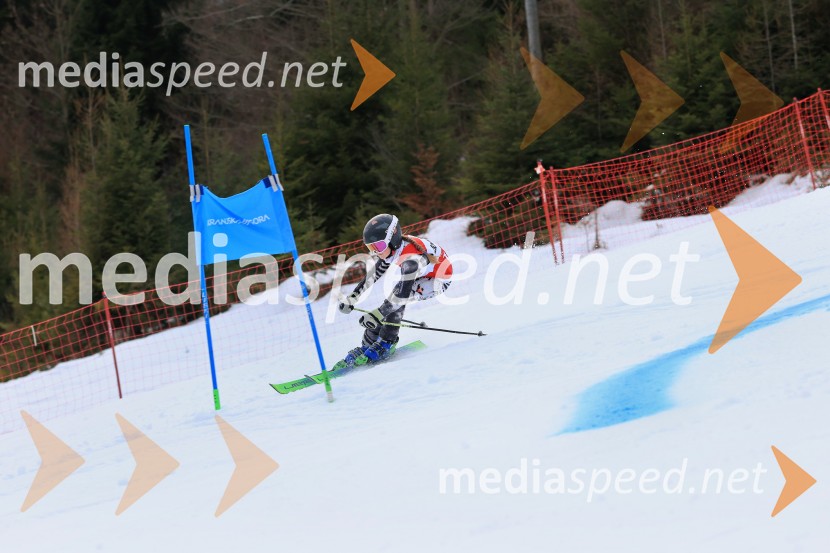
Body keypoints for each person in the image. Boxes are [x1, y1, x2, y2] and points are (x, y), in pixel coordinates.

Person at [338, 214, 452, 365]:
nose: (376, 252)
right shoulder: (392, 249)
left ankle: (386, 343)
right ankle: (367, 345)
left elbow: (401, 296)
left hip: (437, 281)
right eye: (371, 248)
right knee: (390, 302)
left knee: (396, 297)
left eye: (378, 247)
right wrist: (353, 297)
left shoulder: (412, 260)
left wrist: (377, 314)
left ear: (392, 239)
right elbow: (374, 275)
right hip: (422, 274)